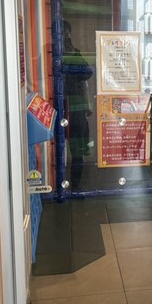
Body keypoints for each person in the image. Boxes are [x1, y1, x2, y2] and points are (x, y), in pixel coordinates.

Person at [62, 20, 93, 190]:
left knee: (77, 149)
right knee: (61, 148)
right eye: (62, 34)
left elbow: (87, 73)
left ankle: (75, 186)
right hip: (62, 105)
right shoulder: (51, 52)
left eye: (66, 33)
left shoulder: (74, 53)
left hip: (74, 106)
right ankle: (67, 187)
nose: (64, 37)